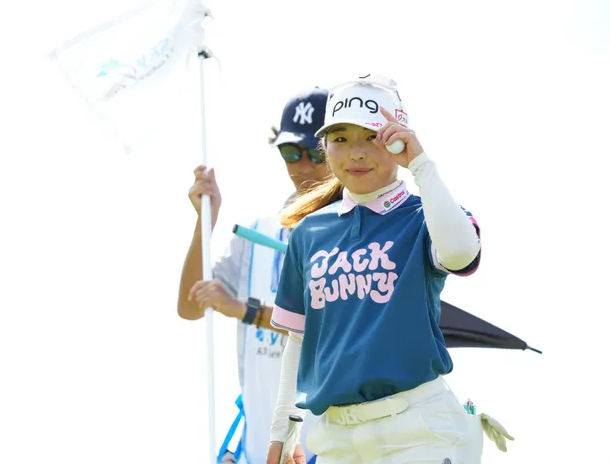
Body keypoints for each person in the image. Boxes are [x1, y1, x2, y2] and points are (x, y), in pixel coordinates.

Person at [266, 76, 485, 464]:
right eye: (341, 138)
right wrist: (283, 429)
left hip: (420, 433)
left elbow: (460, 251)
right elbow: (298, 340)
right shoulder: (307, 232)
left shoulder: (423, 216)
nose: (357, 153)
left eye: (372, 137)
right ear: (326, 146)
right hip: (337, 442)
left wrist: (420, 163)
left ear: (397, 140)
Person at [177, 87, 331, 464]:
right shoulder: (259, 231)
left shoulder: (356, 232)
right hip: (259, 448)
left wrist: (246, 311)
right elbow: (190, 307)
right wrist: (205, 221)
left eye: (316, 153)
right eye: (291, 152)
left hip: (330, 450)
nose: (303, 165)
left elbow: (332, 329)